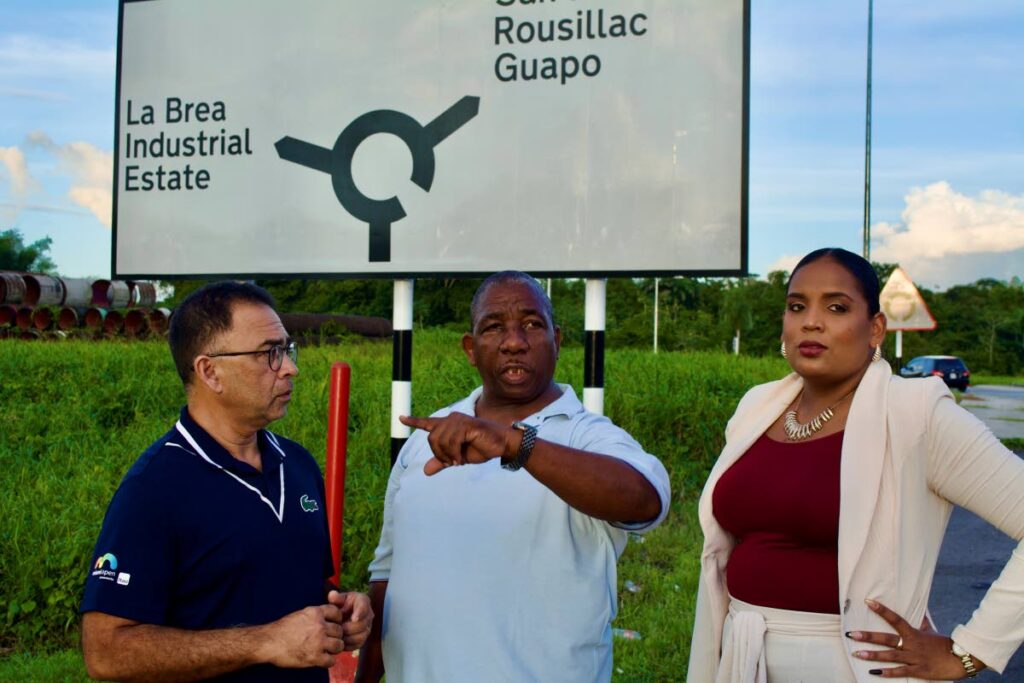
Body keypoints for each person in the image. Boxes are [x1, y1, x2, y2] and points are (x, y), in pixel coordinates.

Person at [687, 248, 1024, 682]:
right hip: (741, 657)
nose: (811, 320)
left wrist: (969, 651)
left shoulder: (915, 413)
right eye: (796, 306)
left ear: (876, 328)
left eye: (836, 307)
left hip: (850, 666)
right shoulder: (757, 407)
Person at [355, 271, 671, 682]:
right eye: (493, 327)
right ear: (470, 349)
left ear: (556, 340)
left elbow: (645, 501)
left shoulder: (585, 435)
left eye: (532, 324)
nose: (514, 342)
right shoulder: (426, 443)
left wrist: (515, 444)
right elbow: (387, 577)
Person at [81, 282, 372, 682]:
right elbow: (106, 652)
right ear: (210, 371)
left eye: (287, 350)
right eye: (269, 354)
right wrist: (265, 641)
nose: (290, 368)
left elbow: (294, 584)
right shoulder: (155, 489)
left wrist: (339, 612)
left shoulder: (298, 465)